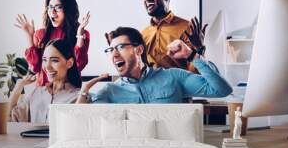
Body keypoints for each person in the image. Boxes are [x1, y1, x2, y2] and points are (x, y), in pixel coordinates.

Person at [76, 27, 232, 104]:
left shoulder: (173, 77)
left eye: (121, 47)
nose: (114, 55)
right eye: (111, 50)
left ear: (139, 49)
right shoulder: (109, 91)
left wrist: (191, 55)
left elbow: (222, 90)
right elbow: (84, 125)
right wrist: (84, 92)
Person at [15, 0, 90, 86]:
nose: (53, 12)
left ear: (68, 9)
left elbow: (79, 65)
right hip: (44, 90)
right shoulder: (40, 34)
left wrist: (79, 35)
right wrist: (30, 37)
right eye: (50, 7)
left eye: (58, 7)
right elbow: (36, 68)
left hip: (69, 91)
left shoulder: (82, 34)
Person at [10, 39, 81, 123]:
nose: (47, 66)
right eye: (44, 60)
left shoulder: (78, 97)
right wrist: (19, 87)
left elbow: (77, 127)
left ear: (69, 63)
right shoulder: (36, 92)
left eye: (54, 60)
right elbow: (11, 120)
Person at [142, 0, 207, 72]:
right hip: (150, 85)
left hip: (180, 85)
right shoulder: (143, 34)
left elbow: (195, 73)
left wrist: (199, 48)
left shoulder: (187, 28)